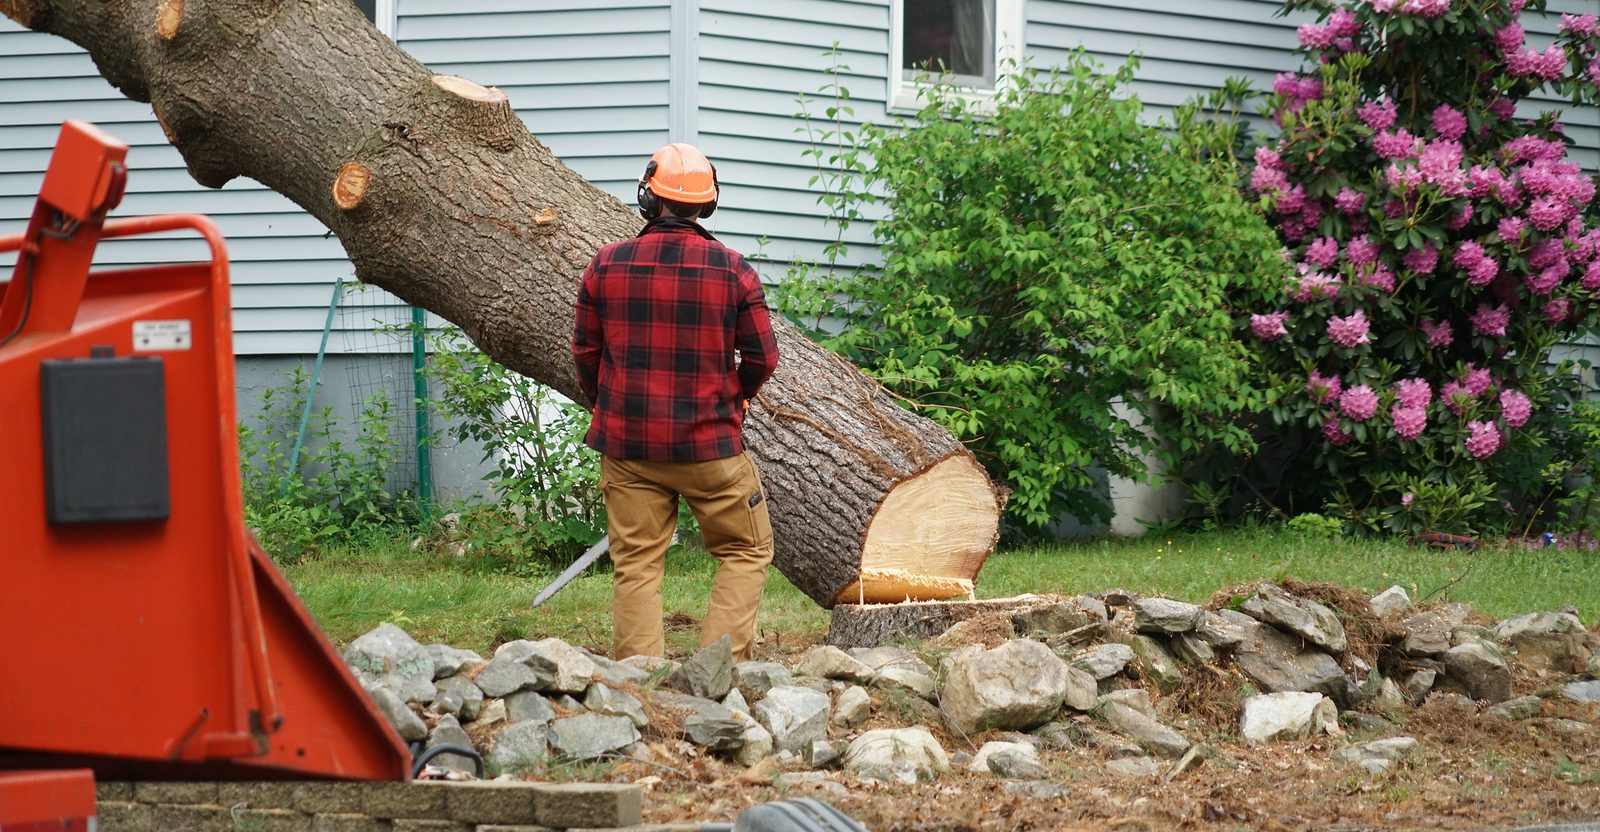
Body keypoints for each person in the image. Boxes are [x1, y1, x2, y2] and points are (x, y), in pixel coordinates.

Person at [571, 143, 780, 663]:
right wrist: (738, 397)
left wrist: (609, 406)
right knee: (747, 549)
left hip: (628, 448)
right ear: (708, 203)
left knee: (636, 563)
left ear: (648, 196)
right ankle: (718, 673)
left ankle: (638, 684)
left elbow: (585, 354)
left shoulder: (605, 264)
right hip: (710, 447)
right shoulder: (734, 271)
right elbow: (763, 357)